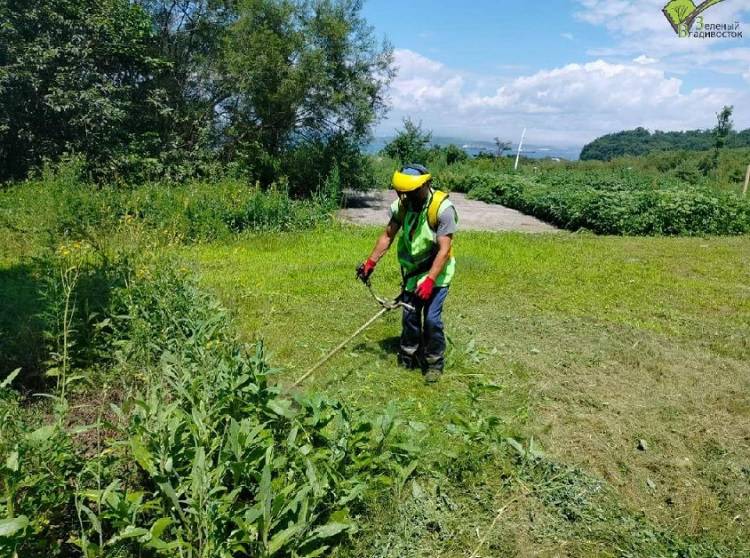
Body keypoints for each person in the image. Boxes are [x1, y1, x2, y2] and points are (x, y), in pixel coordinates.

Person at [356, 163, 458, 383]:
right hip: (413, 273)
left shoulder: (442, 209)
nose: (406, 197)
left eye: (411, 192)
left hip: (437, 275)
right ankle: (408, 356)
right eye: (402, 193)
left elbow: (444, 250)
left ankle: (434, 362)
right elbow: (387, 236)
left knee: (431, 320)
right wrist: (370, 263)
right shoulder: (403, 206)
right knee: (410, 317)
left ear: (425, 185)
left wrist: (430, 280)